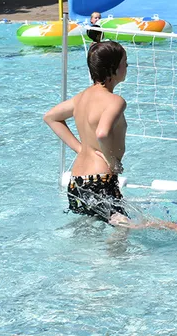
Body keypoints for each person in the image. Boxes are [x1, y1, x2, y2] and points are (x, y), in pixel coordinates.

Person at [43, 41, 129, 222]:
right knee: (123, 229)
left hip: (76, 182)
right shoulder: (115, 101)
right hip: (101, 179)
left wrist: (81, 149)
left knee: (88, 229)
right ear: (112, 68)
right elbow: (102, 133)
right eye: (124, 62)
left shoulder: (80, 98)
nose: (127, 66)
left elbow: (51, 117)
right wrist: (112, 162)